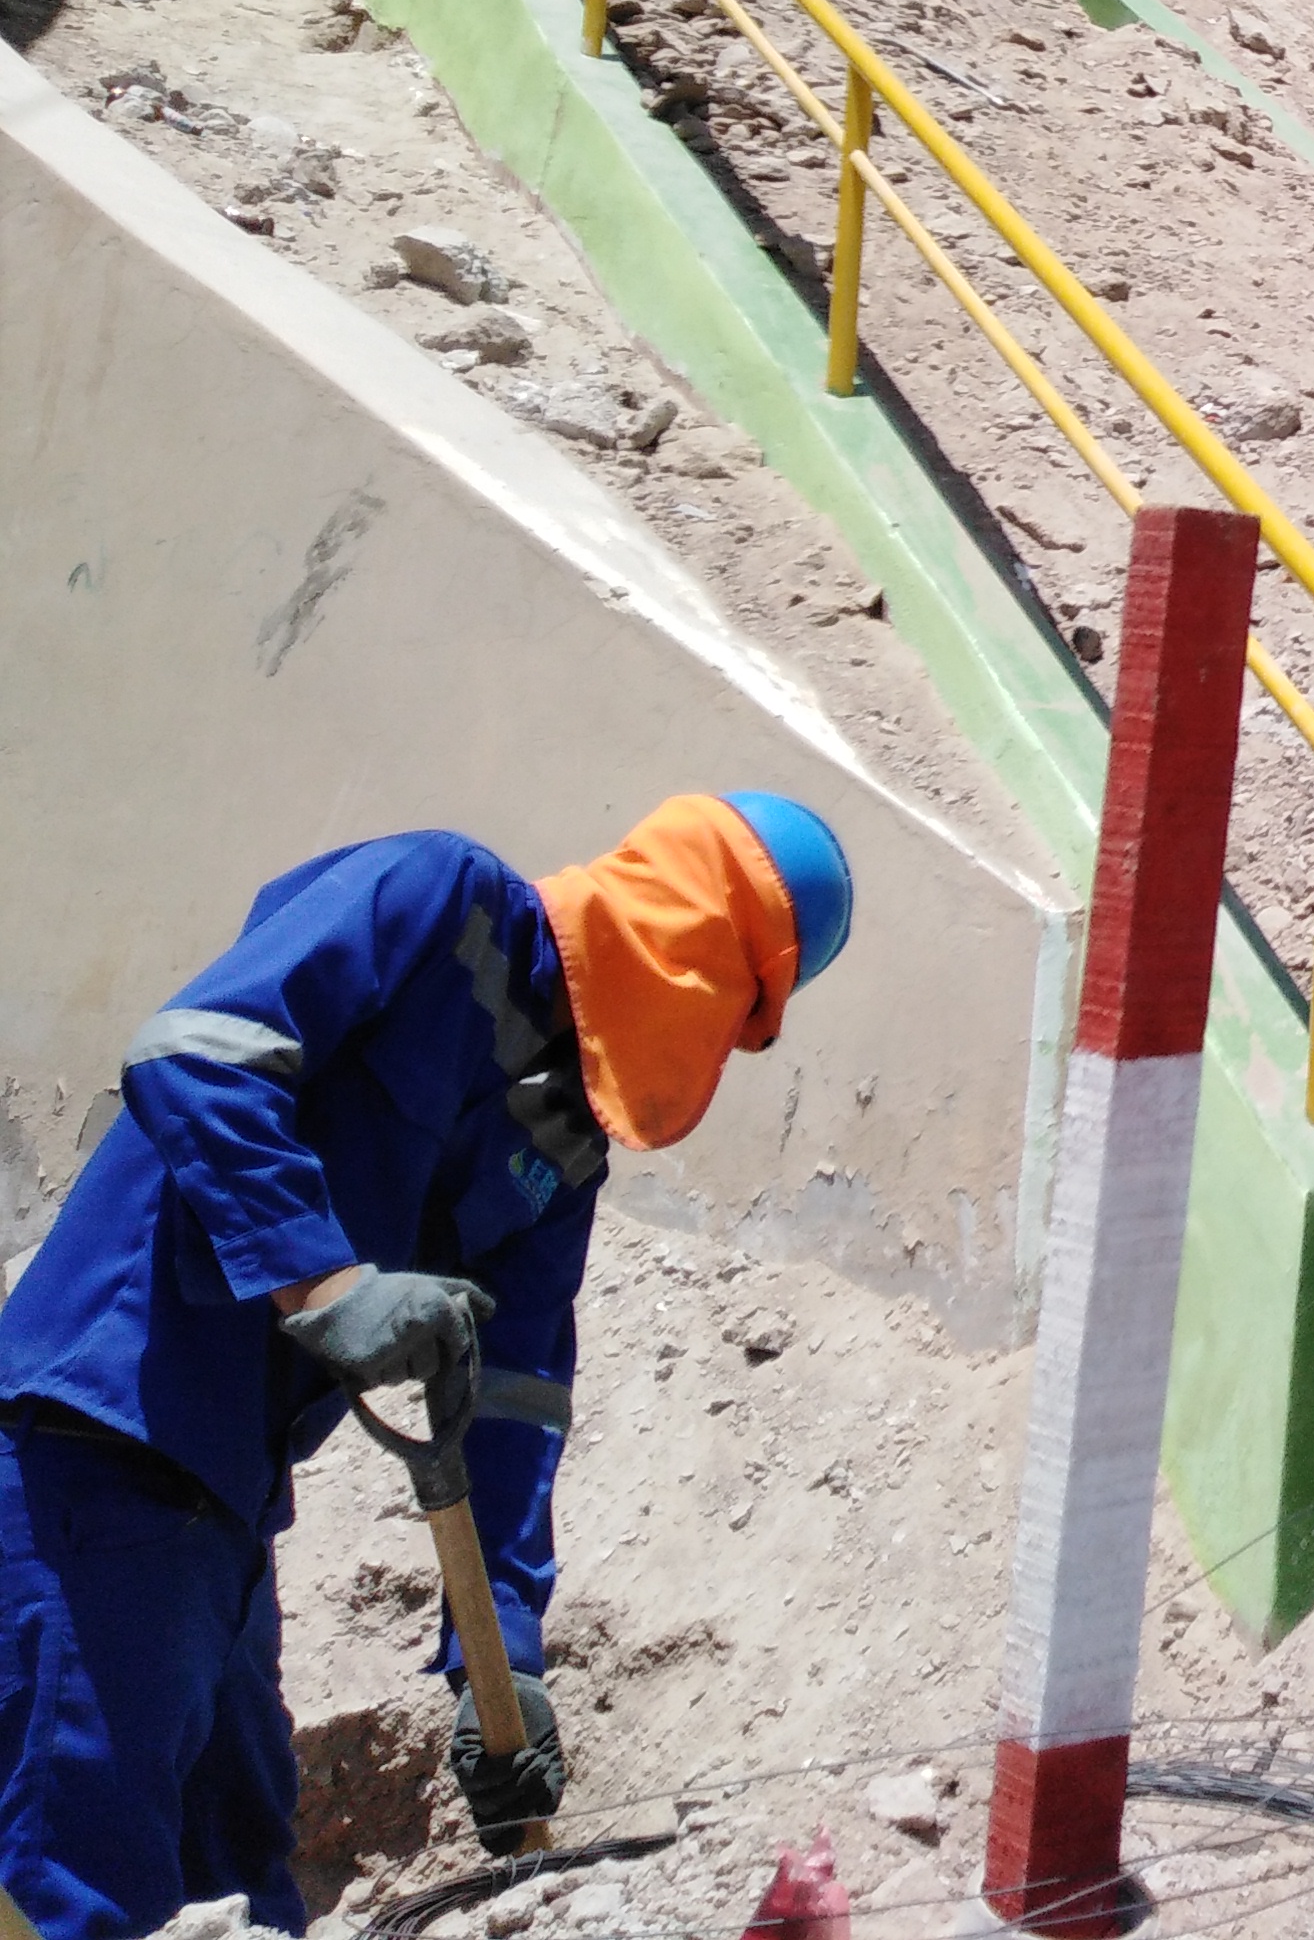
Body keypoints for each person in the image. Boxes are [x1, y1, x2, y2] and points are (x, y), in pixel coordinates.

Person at [0, 793, 856, 1939]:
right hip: (89, 1451)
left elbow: (510, 1403)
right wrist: (327, 1284)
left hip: (223, 1527)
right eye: (744, 998)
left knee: (246, 1885)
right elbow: (194, 1054)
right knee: (84, 1888)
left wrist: (504, 1667)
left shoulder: (563, 1139)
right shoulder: (438, 897)